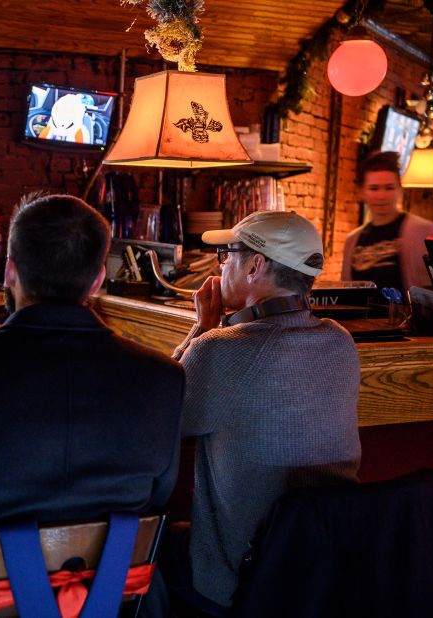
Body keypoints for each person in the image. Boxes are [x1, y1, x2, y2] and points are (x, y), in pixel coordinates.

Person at [0, 193, 185, 616]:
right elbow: (159, 494)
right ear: (98, 279)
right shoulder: (162, 378)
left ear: (10, 270)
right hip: (118, 606)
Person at [169, 210, 361, 615]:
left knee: (147, 549)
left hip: (240, 583)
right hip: (328, 570)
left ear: (255, 265)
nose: (222, 265)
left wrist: (202, 329)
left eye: (227, 255)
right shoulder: (341, 343)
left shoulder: (221, 349)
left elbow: (162, 413)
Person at [342, 150, 433, 291]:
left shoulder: (422, 230)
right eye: (374, 188)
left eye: (389, 188)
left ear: (399, 189)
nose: (382, 196)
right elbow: (345, 292)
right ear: (362, 192)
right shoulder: (352, 240)